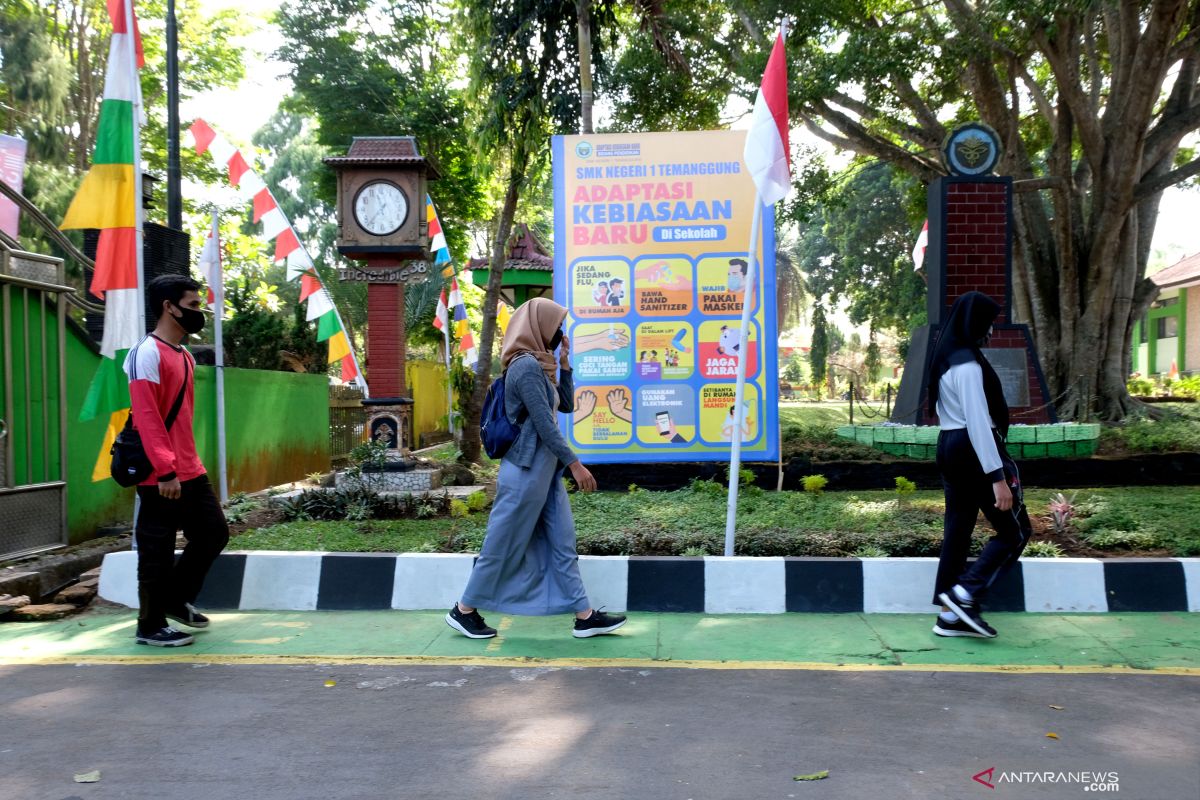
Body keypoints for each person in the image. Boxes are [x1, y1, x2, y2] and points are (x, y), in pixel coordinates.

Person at [447, 298, 627, 640]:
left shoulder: (541, 367)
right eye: (555, 325)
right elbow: (546, 424)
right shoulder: (525, 367)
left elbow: (567, 404)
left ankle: (584, 616)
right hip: (525, 470)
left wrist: (565, 363)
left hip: (546, 472)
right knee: (502, 541)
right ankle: (464, 609)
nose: (559, 332)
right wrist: (575, 464)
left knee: (562, 542)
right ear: (538, 326)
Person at [125, 275, 229, 647]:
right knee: (156, 549)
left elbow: (180, 417)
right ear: (169, 307)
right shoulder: (145, 354)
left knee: (214, 532)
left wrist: (184, 464)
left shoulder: (183, 355)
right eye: (193, 304)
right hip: (160, 474)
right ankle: (149, 626)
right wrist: (165, 470)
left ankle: (173, 598)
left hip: (189, 467)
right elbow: (148, 417)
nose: (199, 312)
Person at [928, 291, 1032, 639]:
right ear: (975, 323)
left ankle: (948, 617)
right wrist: (997, 477)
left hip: (949, 446)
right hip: (973, 449)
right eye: (988, 324)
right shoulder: (968, 366)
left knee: (957, 533)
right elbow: (977, 422)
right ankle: (965, 594)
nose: (990, 331)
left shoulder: (946, 355)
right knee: (1014, 532)